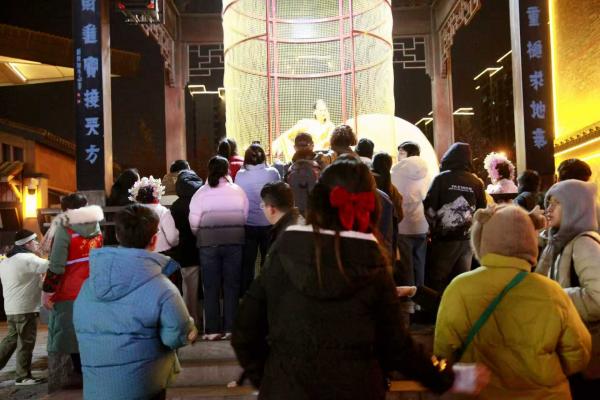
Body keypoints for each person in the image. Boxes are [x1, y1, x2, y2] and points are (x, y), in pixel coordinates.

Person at [232, 156, 488, 399]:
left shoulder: (284, 249)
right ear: (371, 206)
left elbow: (245, 330)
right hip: (357, 389)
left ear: (318, 200)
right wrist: (447, 377)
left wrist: (270, 377)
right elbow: (397, 347)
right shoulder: (373, 262)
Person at [435, 204, 591, 399]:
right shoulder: (552, 291)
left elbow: (444, 350)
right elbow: (578, 353)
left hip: (480, 393)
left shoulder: (460, 287)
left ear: (482, 240)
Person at [74, 204, 197, 400]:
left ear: (118, 236)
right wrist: (190, 328)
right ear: (154, 239)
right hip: (144, 385)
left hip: (97, 389)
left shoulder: (89, 286)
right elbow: (175, 336)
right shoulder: (162, 288)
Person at [536, 179, 600, 397]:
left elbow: (598, 298)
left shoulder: (584, 243)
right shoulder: (556, 242)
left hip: (588, 353)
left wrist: (555, 299)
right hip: (570, 346)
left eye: (557, 203)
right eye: (548, 202)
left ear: (575, 207)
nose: (549, 208)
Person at [42, 193, 103, 387]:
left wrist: (47, 291)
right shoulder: (96, 226)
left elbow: (57, 265)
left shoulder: (65, 229)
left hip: (70, 290)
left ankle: (80, 375)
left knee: (71, 334)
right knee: (91, 331)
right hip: (93, 287)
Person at [189, 156, 249, 340]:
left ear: (209, 170)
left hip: (208, 244)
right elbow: (244, 217)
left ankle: (212, 330)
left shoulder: (200, 193)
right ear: (227, 170)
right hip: (234, 242)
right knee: (232, 286)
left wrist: (202, 234)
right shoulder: (238, 191)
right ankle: (231, 328)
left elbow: (194, 222)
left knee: (210, 287)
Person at [423, 142, 486, 293]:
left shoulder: (441, 179)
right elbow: (481, 210)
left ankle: (439, 306)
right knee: (462, 279)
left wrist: (434, 228)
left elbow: (429, 206)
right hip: (467, 239)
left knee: (437, 278)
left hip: (445, 239)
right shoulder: (476, 182)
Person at [0, 230, 49, 385]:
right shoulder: (28, 258)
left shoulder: (6, 260)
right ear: (27, 243)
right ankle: (23, 377)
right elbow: (53, 266)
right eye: (35, 241)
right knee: (26, 342)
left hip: (11, 308)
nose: (37, 243)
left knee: (11, 340)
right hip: (25, 308)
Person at [235, 144, 281, 295]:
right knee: (267, 261)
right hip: (269, 223)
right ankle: (267, 293)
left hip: (248, 223)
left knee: (247, 263)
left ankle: (246, 295)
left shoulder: (240, 175)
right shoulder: (272, 173)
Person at [391, 141, 430, 287]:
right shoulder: (426, 172)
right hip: (421, 224)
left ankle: (410, 297)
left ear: (410, 154)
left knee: (406, 267)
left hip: (404, 226)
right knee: (420, 264)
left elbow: (394, 198)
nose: (398, 156)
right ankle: (421, 294)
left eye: (401, 153)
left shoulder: (396, 172)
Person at [170, 170, 204, 325]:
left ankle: (191, 322)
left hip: (185, 251)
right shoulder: (201, 201)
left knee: (189, 288)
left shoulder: (176, 206)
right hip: (205, 247)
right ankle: (208, 321)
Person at [130, 176, 179, 254]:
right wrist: (174, 244)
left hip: (136, 253)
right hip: (161, 252)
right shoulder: (163, 211)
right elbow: (172, 238)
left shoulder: (133, 211)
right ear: (156, 194)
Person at [284, 133, 321, 216]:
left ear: (295, 147)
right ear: (312, 146)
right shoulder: (320, 165)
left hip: (295, 214)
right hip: (316, 214)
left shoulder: (288, 167)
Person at [260, 181, 301, 247]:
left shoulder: (283, 239)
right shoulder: (302, 223)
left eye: (263, 205)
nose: (263, 209)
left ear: (271, 209)